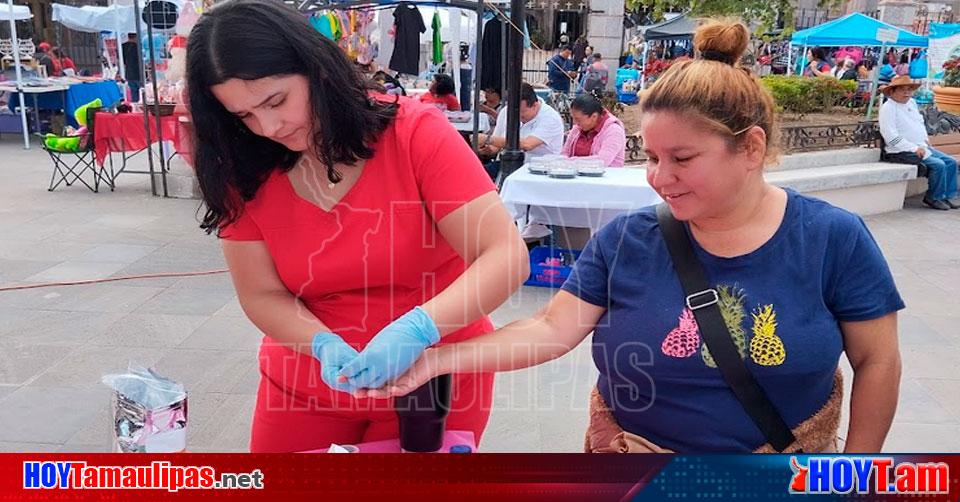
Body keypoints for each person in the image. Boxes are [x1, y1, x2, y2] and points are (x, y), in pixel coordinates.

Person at [362, 19, 904, 454]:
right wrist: (435, 358)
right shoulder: (628, 238)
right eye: (653, 155)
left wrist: (853, 473)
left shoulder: (833, 239)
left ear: (753, 149)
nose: (658, 177)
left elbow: (877, 361)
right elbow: (553, 326)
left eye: (683, 158)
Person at [185, 0, 528, 453]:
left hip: (432, 378)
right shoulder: (242, 164)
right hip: (304, 380)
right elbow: (260, 293)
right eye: (243, 116)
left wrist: (420, 328)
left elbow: (504, 256)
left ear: (317, 69)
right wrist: (321, 344)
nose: (268, 126)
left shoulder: (414, 134)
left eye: (276, 100)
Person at [879, 75, 959, 210]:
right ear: (892, 92)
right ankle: (933, 197)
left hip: (921, 146)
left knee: (950, 162)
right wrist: (913, 148)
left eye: (909, 90)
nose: (907, 93)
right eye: (902, 90)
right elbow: (890, 136)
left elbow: (919, 122)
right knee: (938, 165)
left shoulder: (912, 103)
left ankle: (948, 196)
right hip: (901, 151)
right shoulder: (888, 108)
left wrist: (924, 140)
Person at [477, 82, 565, 180]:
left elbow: (527, 144)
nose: (518, 117)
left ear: (535, 105)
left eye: (522, 113)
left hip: (538, 170)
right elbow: (495, 147)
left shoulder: (550, 118)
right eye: (515, 113)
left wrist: (489, 139)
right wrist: (485, 149)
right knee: (476, 175)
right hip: (506, 164)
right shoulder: (506, 112)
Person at [561, 93, 625, 167]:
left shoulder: (614, 131)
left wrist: (571, 162)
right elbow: (564, 153)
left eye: (578, 119)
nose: (575, 123)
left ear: (594, 116)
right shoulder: (577, 128)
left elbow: (602, 161)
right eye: (573, 118)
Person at [122, 34, 143, 102]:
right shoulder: (139, 46)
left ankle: (135, 107)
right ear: (136, 37)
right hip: (138, 73)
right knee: (142, 92)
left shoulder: (123, 46)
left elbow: (122, 60)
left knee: (133, 93)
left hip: (129, 73)